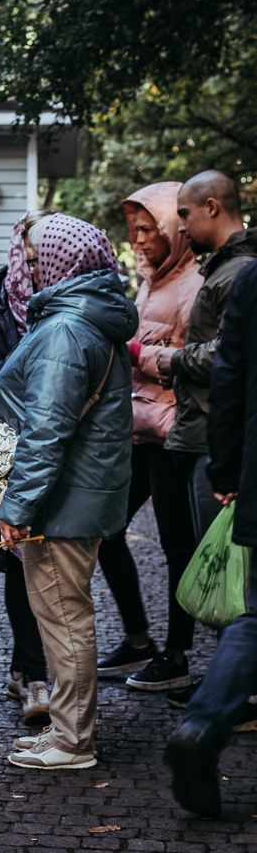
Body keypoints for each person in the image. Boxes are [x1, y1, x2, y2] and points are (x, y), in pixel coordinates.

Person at [0, 213, 137, 770]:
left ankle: (73, 740)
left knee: (64, 617)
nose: (28, 267)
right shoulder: (86, 318)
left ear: (62, 261)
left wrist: (18, 506)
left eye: (34, 258)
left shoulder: (65, 329)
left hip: (63, 502)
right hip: (79, 494)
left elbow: (45, 428)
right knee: (65, 614)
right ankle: (64, 727)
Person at [95, 183, 201, 691]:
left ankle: (178, 658)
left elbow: (202, 363)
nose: (136, 238)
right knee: (106, 529)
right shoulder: (151, 280)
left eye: (147, 228)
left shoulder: (195, 284)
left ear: (174, 230)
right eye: (132, 228)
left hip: (173, 433)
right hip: (138, 428)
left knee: (177, 546)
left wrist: (141, 355)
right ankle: (139, 641)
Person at [165, 258, 257, 818]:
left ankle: (202, 724)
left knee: (254, 614)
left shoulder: (251, 278)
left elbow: (229, 375)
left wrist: (226, 470)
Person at [162, 169, 257, 707]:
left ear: (214, 207)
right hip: (204, 435)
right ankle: (229, 684)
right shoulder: (224, 269)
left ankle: (234, 694)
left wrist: (167, 357)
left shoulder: (239, 271)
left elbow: (225, 360)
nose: (180, 227)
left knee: (229, 569)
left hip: (214, 441)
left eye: (185, 214)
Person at [0, 210, 50, 725]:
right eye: (30, 248)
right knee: (15, 556)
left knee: (46, 555)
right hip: (3, 436)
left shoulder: (66, 297)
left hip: (50, 439)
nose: (34, 261)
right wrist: (22, 365)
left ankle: (37, 668)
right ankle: (31, 669)